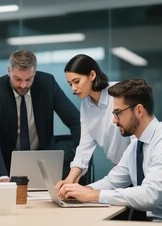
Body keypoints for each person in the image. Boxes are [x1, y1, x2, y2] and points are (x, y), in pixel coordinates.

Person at [58, 79, 162, 222]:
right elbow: (113, 182)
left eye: (118, 113)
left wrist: (94, 195)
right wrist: (79, 191)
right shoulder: (137, 145)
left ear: (138, 110)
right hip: (157, 224)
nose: (114, 120)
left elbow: (150, 196)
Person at [0, 49, 81, 186]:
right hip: (4, 166)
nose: (23, 85)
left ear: (35, 73)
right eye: (17, 79)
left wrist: (80, 163)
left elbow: (75, 121)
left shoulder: (47, 84)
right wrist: (2, 178)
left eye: (29, 79)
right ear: (8, 71)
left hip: (42, 165)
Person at [55, 54, 131, 190]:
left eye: (76, 81)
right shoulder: (86, 106)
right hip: (120, 171)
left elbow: (137, 138)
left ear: (92, 75)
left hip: (139, 168)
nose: (73, 88)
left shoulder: (119, 93)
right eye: (70, 84)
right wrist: (69, 179)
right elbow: (84, 147)